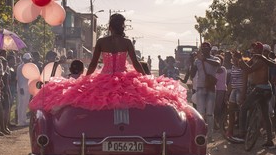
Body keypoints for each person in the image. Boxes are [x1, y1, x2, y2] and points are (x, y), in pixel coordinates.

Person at [30, 14, 187, 114]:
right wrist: (149, 80)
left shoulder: (101, 41)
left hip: (104, 77)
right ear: (121, 27)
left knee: (98, 103)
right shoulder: (126, 42)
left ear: (110, 27)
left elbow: (92, 65)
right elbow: (137, 64)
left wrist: (83, 80)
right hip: (125, 77)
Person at [238, 42, 276, 148]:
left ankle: (242, 133)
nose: (253, 51)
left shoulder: (261, 60)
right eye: (253, 50)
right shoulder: (256, 59)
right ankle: (269, 140)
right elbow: (246, 66)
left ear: (259, 51)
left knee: (244, 108)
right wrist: (240, 60)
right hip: (264, 89)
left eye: (255, 50)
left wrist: (241, 60)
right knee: (265, 115)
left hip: (261, 89)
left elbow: (248, 69)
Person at [184, 42, 220, 136]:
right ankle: (200, 133)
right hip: (200, 88)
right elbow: (192, 75)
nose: (205, 49)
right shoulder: (197, 61)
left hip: (211, 88)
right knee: (200, 113)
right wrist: (192, 61)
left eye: (206, 48)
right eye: (203, 48)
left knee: (209, 114)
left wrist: (204, 59)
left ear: (210, 49)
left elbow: (218, 63)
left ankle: (210, 134)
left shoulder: (215, 59)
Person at [16, 53, 33, 126]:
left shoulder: (29, 66)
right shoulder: (20, 67)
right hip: (22, 87)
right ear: (24, 59)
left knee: (25, 103)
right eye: (26, 59)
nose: (28, 61)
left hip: (27, 86)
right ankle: (20, 121)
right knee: (21, 104)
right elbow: (18, 78)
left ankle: (23, 119)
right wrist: (20, 88)